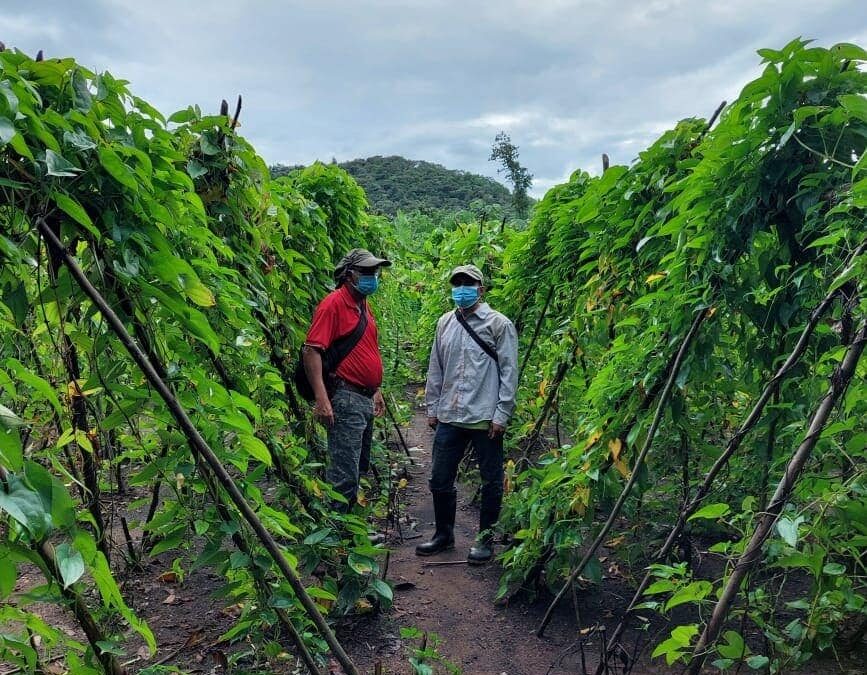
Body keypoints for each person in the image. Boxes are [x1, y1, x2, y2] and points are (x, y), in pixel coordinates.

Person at [416, 264, 518, 564]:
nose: (462, 288)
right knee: (439, 478)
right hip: (450, 414)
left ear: (481, 289)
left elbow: (509, 372)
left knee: (491, 480)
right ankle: (444, 534)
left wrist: (502, 414)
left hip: (485, 416)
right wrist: (432, 408)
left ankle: (485, 541)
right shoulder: (444, 323)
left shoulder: (498, 324)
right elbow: (436, 367)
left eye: (468, 283)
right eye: (457, 283)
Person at [303, 248, 390, 511]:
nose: (372, 277)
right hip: (346, 397)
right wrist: (321, 398)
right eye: (366, 272)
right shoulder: (334, 304)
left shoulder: (363, 305)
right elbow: (311, 350)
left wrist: (375, 389)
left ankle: (350, 528)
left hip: (363, 397)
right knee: (344, 473)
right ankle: (339, 541)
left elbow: (366, 348)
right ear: (349, 275)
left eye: (374, 272)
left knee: (357, 465)